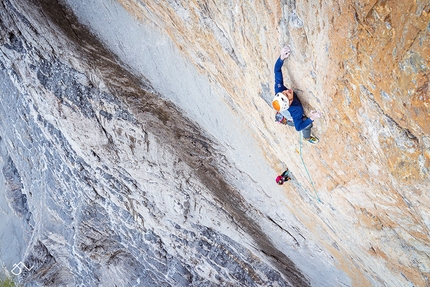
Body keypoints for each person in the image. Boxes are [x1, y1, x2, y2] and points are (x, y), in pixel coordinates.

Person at [271, 46, 321, 144]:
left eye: (284, 92)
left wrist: (281, 57)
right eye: (288, 95)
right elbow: (298, 127)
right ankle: (307, 138)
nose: (288, 91)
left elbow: (277, 71)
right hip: (291, 118)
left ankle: (281, 117)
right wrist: (312, 118)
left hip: (284, 110)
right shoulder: (296, 111)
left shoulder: (279, 90)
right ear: (290, 102)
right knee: (307, 125)